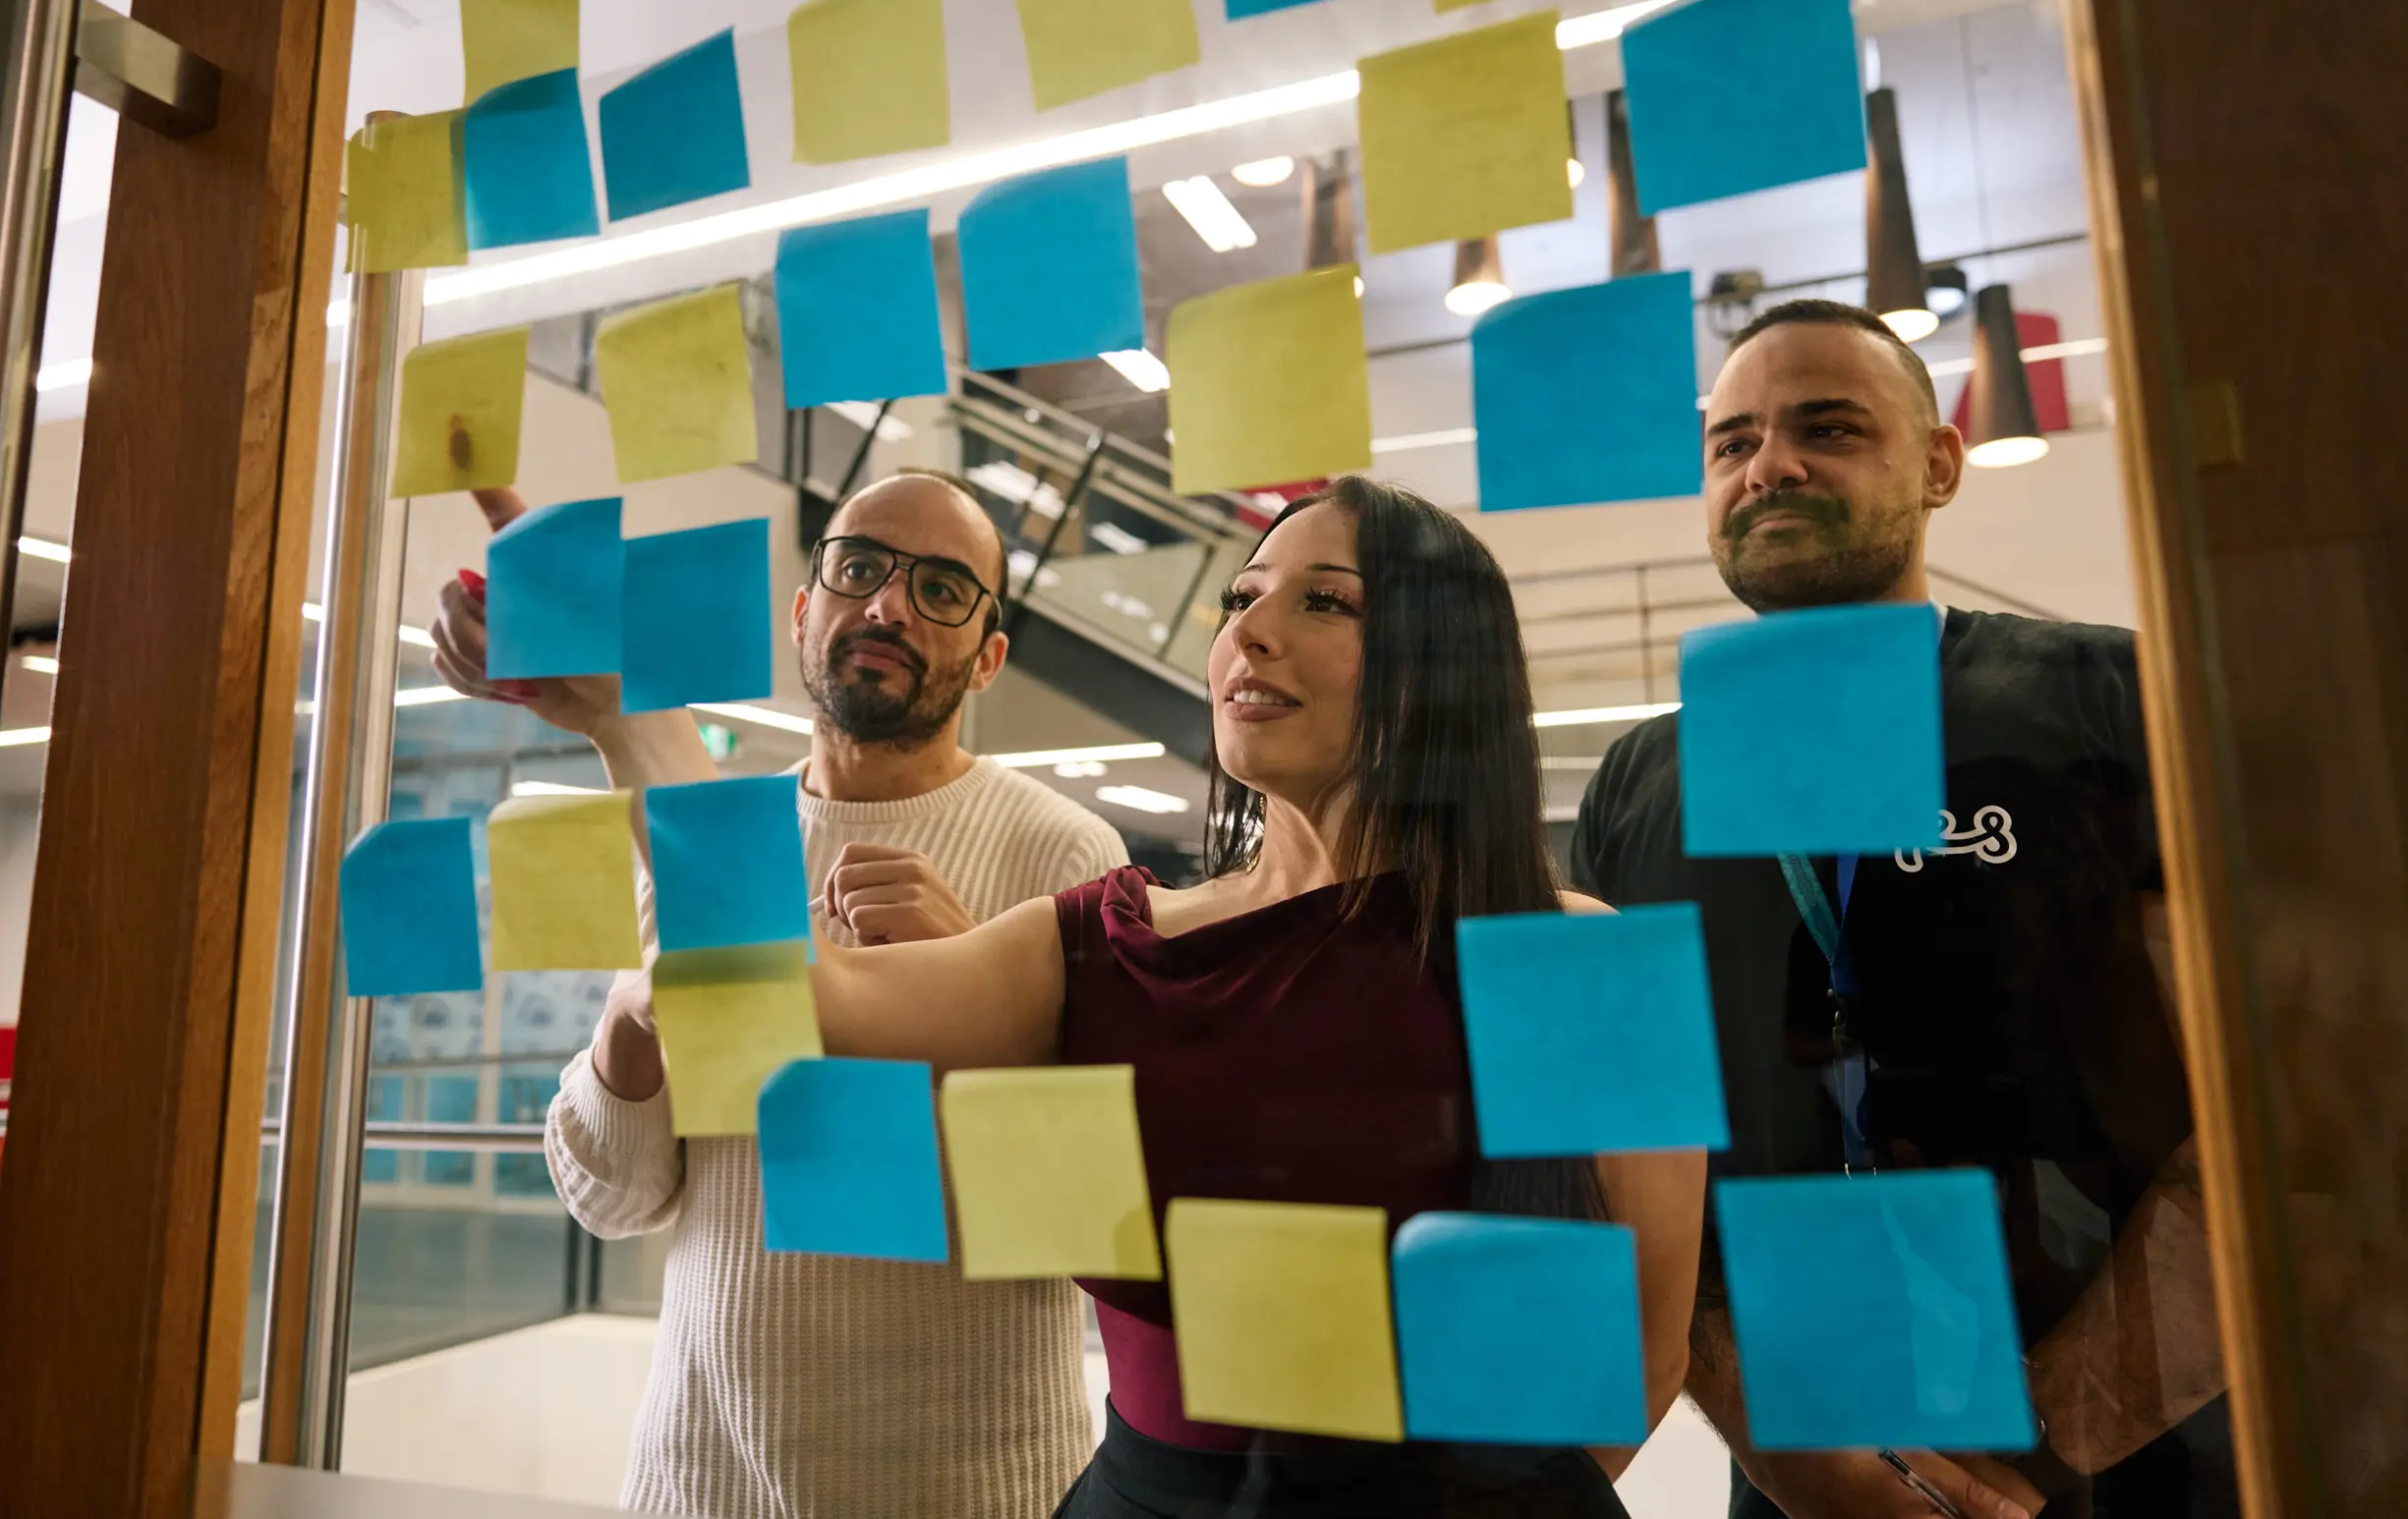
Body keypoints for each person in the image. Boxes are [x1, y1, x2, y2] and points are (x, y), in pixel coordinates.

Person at [764, 476, 1706, 1517]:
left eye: (1324, 601)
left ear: (1442, 664)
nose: (1248, 631)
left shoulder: (1581, 960)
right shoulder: (1105, 936)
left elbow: (1641, 1359)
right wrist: (634, 731)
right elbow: (810, 992)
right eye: (1240, 598)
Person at [1573, 301, 2233, 1519]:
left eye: (1827, 426)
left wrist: (2044, 1441)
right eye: (1732, 444)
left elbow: (2277, 1110)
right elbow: (1626, 1157)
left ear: (1937, 465)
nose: (1770, 463)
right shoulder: (1640, 780)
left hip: (2136, 1446)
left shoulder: (2109, 697)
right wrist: (1795, 1461)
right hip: (1801, 1461)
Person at [429, 472, 1129, 1519]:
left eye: (941, 588)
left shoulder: (1065, 849)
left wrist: (973, 985)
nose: (887, 604)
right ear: (805, 614)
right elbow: (613, 1196)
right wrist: (628, 1022)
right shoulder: (710, 831)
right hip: (700, 1475)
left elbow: (1092, 1229)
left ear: (988, 658)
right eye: (858, 568)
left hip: (961, 1484)